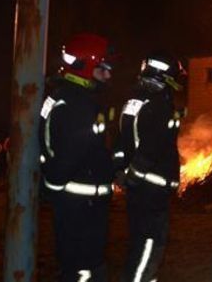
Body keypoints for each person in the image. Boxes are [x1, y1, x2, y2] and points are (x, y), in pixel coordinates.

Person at [38, 33, 115, 281]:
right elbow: (73, 153)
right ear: (86, 67)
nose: (108, 76)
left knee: (76, 264)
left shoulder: (64, 96)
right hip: (82, 205)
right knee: (84, 269)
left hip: (75, 202)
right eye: (103, 69)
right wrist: (56, 185)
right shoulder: (78, 105)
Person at [115, 51, 185, 282]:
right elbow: (151, 146)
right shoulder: (159, 104)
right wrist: (134, 176)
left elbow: (121, 141)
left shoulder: (133, 101)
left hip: (139, 189)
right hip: (152, 189)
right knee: (149, 245)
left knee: (138, 243)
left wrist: (123, 174)